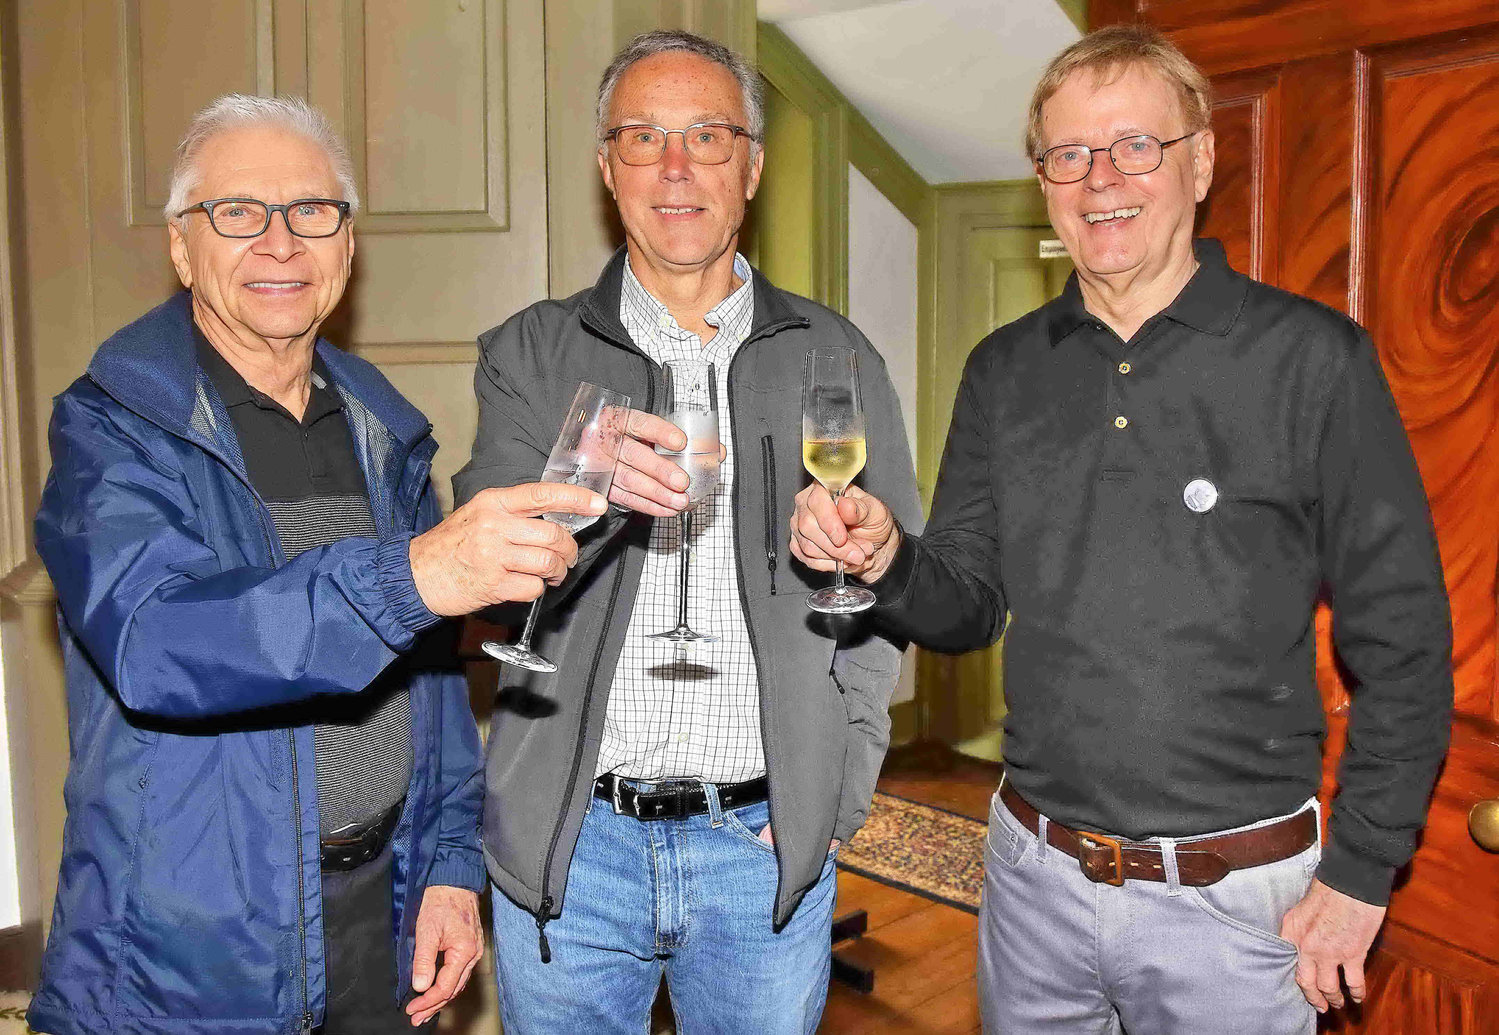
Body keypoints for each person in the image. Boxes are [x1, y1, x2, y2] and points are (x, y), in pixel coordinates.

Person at [791, 25, 1454, 1035]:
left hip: (1237, 909)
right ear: (1042, 181)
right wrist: (886, 559)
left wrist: (1361, 874)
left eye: (1133, 146)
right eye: (1067, 154)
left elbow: (1403, 645)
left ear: (1198, 160)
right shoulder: (1003, 370)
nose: (1099, 178)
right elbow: (967, 602)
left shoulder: (1311, 361)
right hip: (1029, 884)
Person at [26, 94, 605, 1035]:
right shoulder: (111, 427)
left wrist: (453, 865)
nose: (280, 242)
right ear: (182, 246)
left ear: (347, 244)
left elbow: (433, 683)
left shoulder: (386, 432)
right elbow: (159, 641)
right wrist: (404, 578)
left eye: (312, 211)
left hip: (379, 908)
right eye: (238, 212)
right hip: (194, 948)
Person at [453, 29, 921, 1035]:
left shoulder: (833, 355)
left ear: (749, 166)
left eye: (707, 137)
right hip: (574, 853)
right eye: (643, 138)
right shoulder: (530, 353)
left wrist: (828, 808)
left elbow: (885, 599)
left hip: (758, 848)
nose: (675, 168)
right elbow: (482, 578)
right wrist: (578, 482)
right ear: (605, 166)